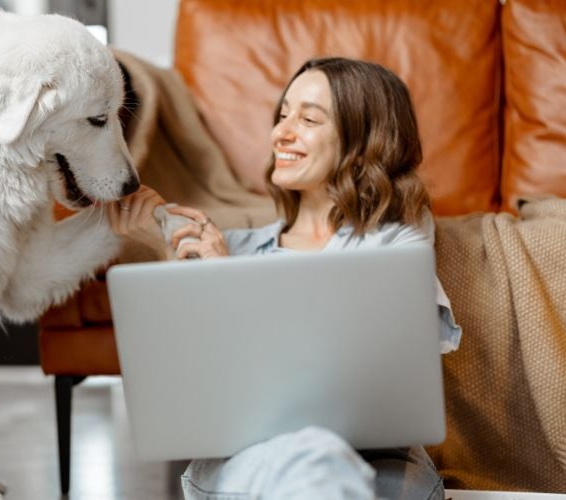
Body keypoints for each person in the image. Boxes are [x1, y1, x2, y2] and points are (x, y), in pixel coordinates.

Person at [106, 57, 462, 500]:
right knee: (312, 466)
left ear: (364, 139)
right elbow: (205, 394)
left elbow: (356, 376)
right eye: (282, 115)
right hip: (255, 462)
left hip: (380, 465)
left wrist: (226, 280)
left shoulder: (394, 247)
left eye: (309, 118)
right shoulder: (229, 248)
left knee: (323, 465)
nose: (282, 133)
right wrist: (169, 244)